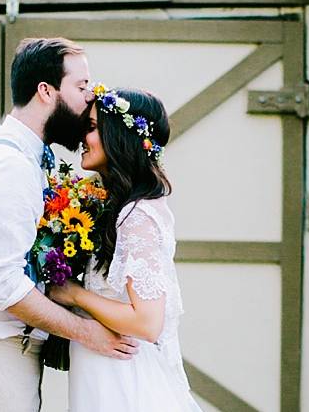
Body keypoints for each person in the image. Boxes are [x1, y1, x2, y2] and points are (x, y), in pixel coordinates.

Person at [0, 39, 138, 412]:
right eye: (81, 85)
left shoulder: (27, 159)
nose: (90, 97)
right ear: (46, 91)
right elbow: (2, 287)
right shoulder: (9, 167)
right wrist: (88, 332)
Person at [49, 86, 202, 412]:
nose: (81, 139)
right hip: (102, 375)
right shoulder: (116, 207)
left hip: (125, 381)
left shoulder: (137, 215)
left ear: (118, 137)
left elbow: (147, 321)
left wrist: (73, 294)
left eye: (91, 128)